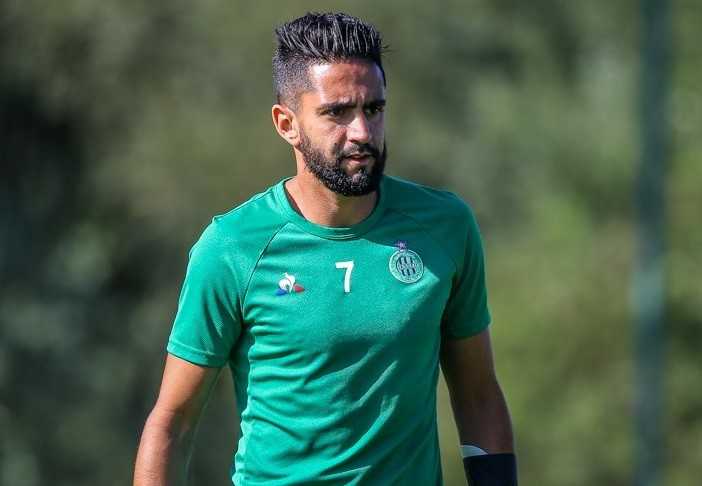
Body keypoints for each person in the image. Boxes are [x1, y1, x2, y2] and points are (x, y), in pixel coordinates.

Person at [133, 11, 516, 486]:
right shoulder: (232, 248)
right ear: (287, 124)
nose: (362, 133)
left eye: (374, 109)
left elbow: (478, 395)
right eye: (337, 113)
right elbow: (172, 424)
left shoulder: (445, 228)